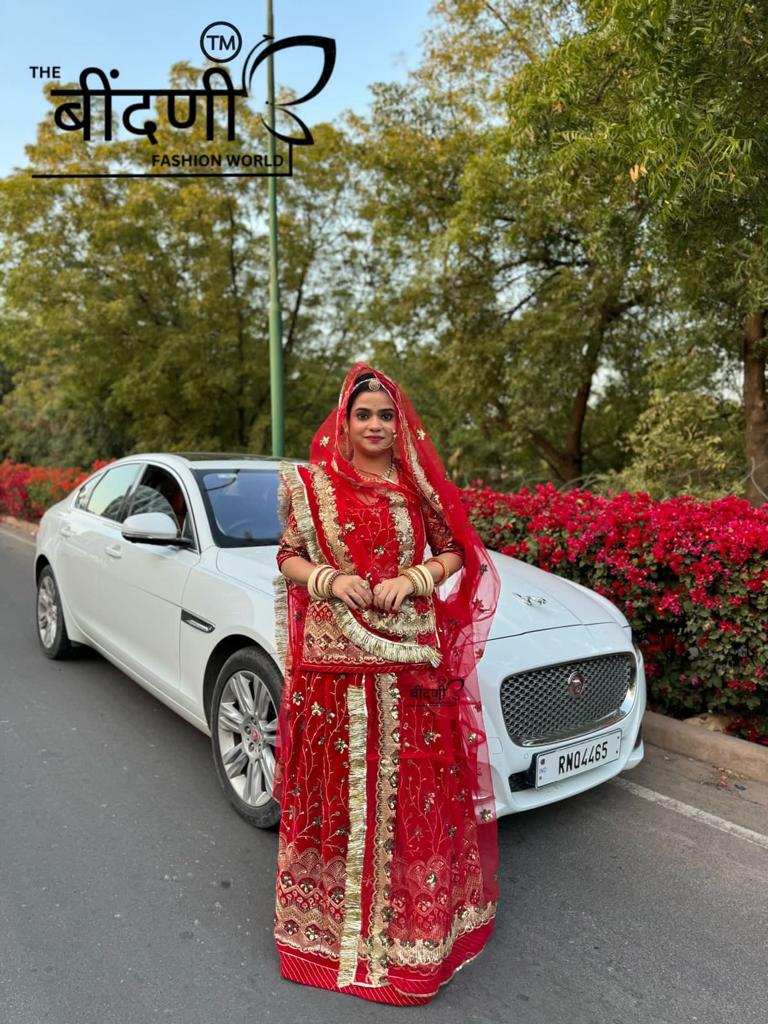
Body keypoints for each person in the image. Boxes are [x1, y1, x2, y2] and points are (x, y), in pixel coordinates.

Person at [272, 362, 501, 1005]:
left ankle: (410, 941)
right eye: (363, 414)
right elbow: (288, 554)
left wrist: (415, 579)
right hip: (332, 671)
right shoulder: (310, 485)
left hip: (406, 664)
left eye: (385, 415)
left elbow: (455, 548)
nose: (375, 425)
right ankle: (321, 942)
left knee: (411, 793)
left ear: (400, 424)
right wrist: (330, 581)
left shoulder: (413, 487)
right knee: (333, 793)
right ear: (343, 422)